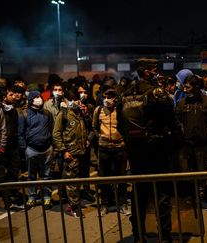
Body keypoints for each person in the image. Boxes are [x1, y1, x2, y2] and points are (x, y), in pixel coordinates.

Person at [121, 58, 178, 242]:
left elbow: (121, 127)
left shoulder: (127, 93)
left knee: (139, 195)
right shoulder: (156, 93)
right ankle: (165, 235)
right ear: (146, 71)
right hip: (157, 151)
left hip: (136, 153)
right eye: (153, 69)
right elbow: (171, 121)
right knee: (162, 194)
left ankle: (138, 235)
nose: (156, 72)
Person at [175, 74, 207, 210]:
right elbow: (176, 121)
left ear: (195, 87)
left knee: (201, 173)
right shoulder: (181, 103)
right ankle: (189, 199)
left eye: (187, 87)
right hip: (186, 145)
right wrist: (181, 133)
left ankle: (200, 199)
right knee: (186, 174)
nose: (185, 89)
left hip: (202, 145)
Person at [53, 89, 91, 218]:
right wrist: (64, 150)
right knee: (71, 181)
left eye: (77, 99)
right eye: (73, 100)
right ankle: (74, 207)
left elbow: (87, 128)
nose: (76, 102)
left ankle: (71, 202)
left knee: (75, 180)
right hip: (71, 153)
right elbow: (56, 134)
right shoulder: (63, 114)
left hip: (82, 152)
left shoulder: (80, 112)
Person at [92, 88, 130, 216]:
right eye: (105, 96)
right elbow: (95, 127)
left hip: (120, 148)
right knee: (104, 178)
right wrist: (101, 138)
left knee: (121, 177)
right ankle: (105, 204)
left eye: (110, 97)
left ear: (116, 98)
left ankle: (123, 204)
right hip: (104, 148)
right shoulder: (98, 111)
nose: (107, 99)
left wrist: (121, 139)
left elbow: (126, 127)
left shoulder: (121, 110)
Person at [18, 91, 54, 210]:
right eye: (37, 97)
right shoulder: (24, 114)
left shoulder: (47, 113)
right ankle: (32, 197)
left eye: (40, 96)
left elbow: (51, 129)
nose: (40, 99)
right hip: (32, 149)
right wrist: (25, 148)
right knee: (31, 175)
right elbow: (21, 133)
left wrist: (50, 144)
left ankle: (47, 196)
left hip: (47, 149)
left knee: (47, 175)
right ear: (31, 100)